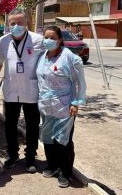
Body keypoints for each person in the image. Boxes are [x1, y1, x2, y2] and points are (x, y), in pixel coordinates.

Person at [36, 26, 86, 188]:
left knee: (63, 140)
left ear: (60, 40)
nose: (48, 41)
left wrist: (76, 103)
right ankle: (52, 166)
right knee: (48, 138)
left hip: (65, 105)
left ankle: (65, 172)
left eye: (52, 38)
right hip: (46, 105)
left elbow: (79, 83)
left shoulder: (69, 58)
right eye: (46, 37)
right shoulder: (43, 56)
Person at [0, 8, 44, 172]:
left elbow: (46, 63)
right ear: (8, 24)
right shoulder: (2, 41)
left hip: (32, 90)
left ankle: (30, 158)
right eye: (13, 23)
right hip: (11, 90)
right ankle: (12, 155)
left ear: (27, 23)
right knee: (10, 125)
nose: (16, 26)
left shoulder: (38, 40)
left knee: (32, 126)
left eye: (20, 23)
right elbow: (0, 62)